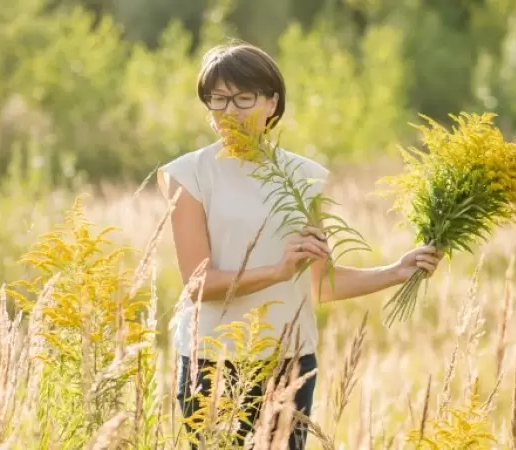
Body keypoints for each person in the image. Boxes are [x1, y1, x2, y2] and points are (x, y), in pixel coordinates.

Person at [156, 41, 444, 450]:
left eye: (243, 97)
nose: (229, 111)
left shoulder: (303, 177)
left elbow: (321, 285)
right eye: (217, 99)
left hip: (289, 360)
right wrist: (276, 272)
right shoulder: (189, 176)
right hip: (213, 362)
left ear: (272, 103)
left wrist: (397, 271)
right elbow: (198, 284)